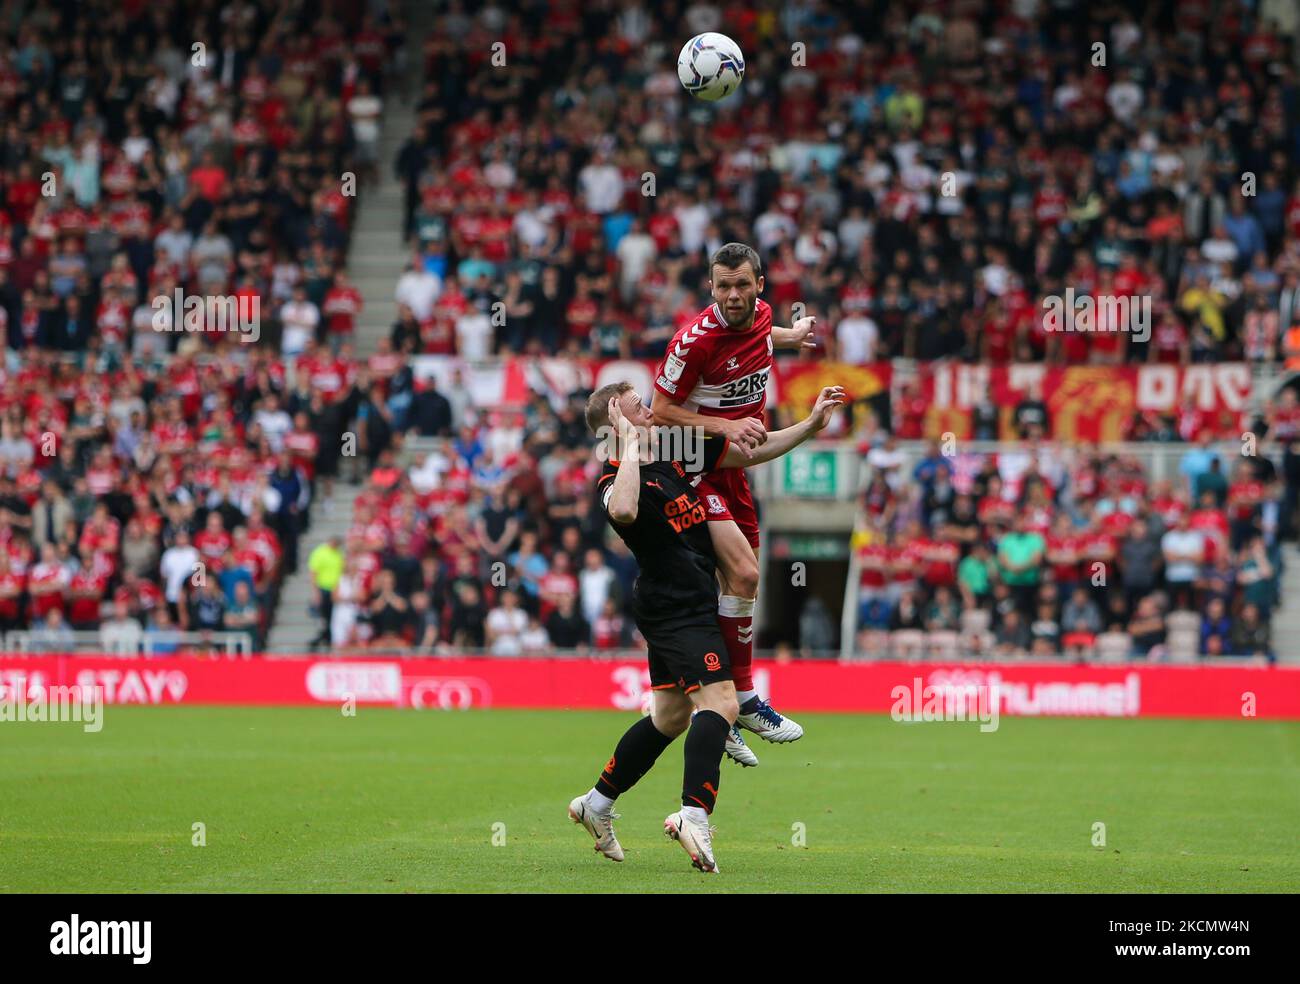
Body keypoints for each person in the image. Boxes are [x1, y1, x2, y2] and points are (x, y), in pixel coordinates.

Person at [568, 378, 843, 873]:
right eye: (636, 409)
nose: (650, 412)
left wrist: (810, 425)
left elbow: (750, 452)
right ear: (615, 427)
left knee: (670, 716)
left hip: (687, 598)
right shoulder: (615, 474)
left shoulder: (676, 451)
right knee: (720, 702)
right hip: (674, 607)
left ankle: (596, 802)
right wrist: (627, 445)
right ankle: (694, 815)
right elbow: (625, 510)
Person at [648, 242, 817, 756]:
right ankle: (740, 698)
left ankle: (716, 702)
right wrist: (725, 424)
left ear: (760, 285)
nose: (733, 295)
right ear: (711, 286)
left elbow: (764, 334)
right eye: (723, 285)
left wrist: (793, 336)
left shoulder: (762, 316)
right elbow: (660, 411)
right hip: (693, 465)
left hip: (734, 469)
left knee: (738, 585)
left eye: (742, 284)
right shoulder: (693, 342)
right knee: (741, 574)